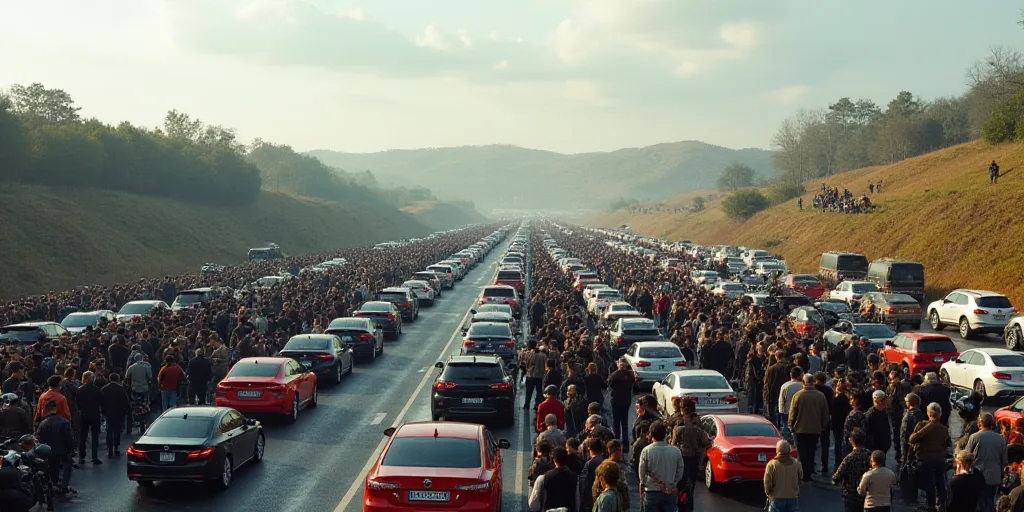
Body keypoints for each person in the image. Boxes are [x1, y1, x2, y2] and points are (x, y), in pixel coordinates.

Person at [909, 402, 951, 511]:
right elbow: (947, 444)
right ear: (940, 414)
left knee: (930, 484)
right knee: (940, 482)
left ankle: (931, 505)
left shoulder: (922, 425)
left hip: (925, 459)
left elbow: (912, 439)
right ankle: (942, 505)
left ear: (928, 413)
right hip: (940, 459)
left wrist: (930, 425)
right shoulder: (944, 429)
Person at [788, 373, 830, 481]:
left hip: (800, 429)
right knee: (811, 451)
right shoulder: (821, 396)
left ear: (803, 382)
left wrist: (791, 425)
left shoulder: (798, 395)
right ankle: (809, 473)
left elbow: (792, 413)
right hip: (815, 429)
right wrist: (823, 426)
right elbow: (825, 414)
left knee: (801, 452)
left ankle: (802, 473)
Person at [638, 420, 685, 512]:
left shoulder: (646, 451)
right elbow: (680, 470)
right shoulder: (675, 451)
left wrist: (643, 483)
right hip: (669, 491)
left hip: (651, 491)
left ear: (651, 434)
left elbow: (642, 472)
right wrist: (674, 483)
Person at [967, 413, 1008, 512]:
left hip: (977, 475)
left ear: (979, 423)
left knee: (978, 503)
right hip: (994, 476)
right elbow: (1005, 461)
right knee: (990, 502)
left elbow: (967, 457)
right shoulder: (1000, 438)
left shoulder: (974, 437)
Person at [35, 400, 76, 497]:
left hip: (50, 451)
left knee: (54, 469)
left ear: (46, 410)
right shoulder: (63, 421)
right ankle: (64, 486)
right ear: (55, 409)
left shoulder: (43, 423)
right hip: (63, 449)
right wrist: (71, 448)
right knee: (67, 465)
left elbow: (39, 438)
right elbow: (69, 438)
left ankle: (54, 486)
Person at [834, 428, 871, 512]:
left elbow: (837, 476)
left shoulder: (849, 458)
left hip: (850, 495)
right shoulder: (869, 455)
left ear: (852, 441)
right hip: (865, 493)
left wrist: (835, 480)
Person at [764, 439, 802, 512]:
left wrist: (768, 493)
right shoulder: (796, 463)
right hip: (792, 497)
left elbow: (767, 482)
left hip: (777, 497)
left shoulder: (772, 464)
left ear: (777, 451)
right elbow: (800, 478)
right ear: (789, 451)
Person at [75, 370, 104, 465]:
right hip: (95, 414)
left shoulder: (80, 389)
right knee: (95, 437)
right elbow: (101, 402)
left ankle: (81, 457)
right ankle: (94, 457)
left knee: (82, 437)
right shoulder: (97, 390)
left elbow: (77, 403)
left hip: (83, 414)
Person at [100, 372, 131, 457]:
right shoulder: (121, 389)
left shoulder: (104, 389)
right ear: (117, 379)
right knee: (117, 430)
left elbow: (101, 401)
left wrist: (103, 411)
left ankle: (110, 449)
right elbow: (126, 401)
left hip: (108, 412)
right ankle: (116, 447)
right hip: (119, 412)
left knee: (109, 430)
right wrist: (127, 411)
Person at [607, 359, 635, 447]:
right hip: (626, 400)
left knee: (616, 421)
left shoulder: (614, 375)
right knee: (624, 421)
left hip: (616, 400)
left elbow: (609, 385)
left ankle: (617, 440)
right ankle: (625, 442)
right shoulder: (630, 374)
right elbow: (633, 383)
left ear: (618, 365)